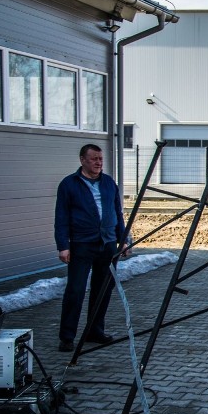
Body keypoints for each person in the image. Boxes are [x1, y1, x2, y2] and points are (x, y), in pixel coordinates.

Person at [54, 144, 129, 352]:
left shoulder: (108, 184)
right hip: (81, 244)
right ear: (82, 160)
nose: (98, 163)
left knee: (103, 289)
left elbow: (117, 213)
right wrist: (63, 245)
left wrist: (123, 239)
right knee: (76, 290)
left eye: (100, 159)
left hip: (106, 244)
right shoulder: (69, 184)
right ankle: (67, 337)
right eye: (94, 159)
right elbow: (61, 218)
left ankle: (94, 331)